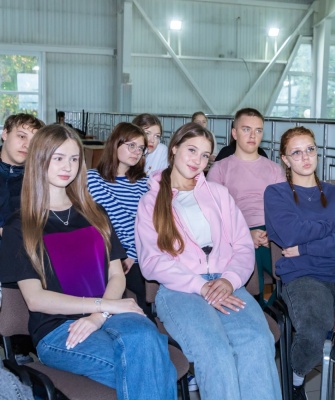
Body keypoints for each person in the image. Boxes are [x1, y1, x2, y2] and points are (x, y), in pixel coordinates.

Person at [0, 124, 176, 399]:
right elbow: (35, 299)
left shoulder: (95, 213)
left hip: (111, 315)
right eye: (58, 158)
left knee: (146, 343)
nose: (67, 166)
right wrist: (103, 306)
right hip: (59, 330)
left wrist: (98, 316)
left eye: (74, 158)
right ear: (39, 159)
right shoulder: (20, 225)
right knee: (154, 368)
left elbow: (116, 275)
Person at [135, 122, 281, 400]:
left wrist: (229, 279)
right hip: (180, 290)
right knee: (215, 351)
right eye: (192, 150)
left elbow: (242, 245)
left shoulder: (218, 194)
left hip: (226, 282)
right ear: (174, 148)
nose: (197, 161)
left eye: (205, 155)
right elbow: (152, 261)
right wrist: (199, 286)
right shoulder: (151, 201)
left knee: (257, 341)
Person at [265, 126, 335, 400]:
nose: (305, 157)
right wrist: (333, 227)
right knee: (316, 331)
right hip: (303, 275)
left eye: (310, 149)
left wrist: (306, 247)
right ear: (285, 159)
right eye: (296, 152)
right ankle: (295, 380)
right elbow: (292, 233)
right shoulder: (276, 193)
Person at [207, 108, 285, 308]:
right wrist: (245, 235)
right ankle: (256, 309)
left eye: (258, 130)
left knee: (295, 270)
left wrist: (272, 234)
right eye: (246, 129)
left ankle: (271, 309)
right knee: (248, 261)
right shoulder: (220, 168)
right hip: (236, 232)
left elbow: (283, 211)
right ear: (234, 133)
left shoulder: (274, 169)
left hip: (271, 233)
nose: (253, 136)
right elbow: (212, 213)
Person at [87, 122, 151, 317]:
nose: (137, 152)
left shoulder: (144, 184)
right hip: (104, 251)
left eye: (140, 148)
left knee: (140, 287)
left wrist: (131, 255)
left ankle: (145, 322)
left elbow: (147, 226)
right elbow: (91, 221)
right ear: (116, 144)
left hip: (136, 252)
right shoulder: (92, 179)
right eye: (131, 145)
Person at [0, 113, 44, 244]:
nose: (27, 145)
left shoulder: (40, 179)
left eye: (34, 142)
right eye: (21, 136)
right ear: (5, 134)